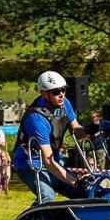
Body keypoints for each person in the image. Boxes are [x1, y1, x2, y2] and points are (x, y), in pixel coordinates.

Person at [12, 70, 88, 204]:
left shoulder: (64, 104)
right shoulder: (36, 118)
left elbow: (76, 131)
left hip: (54, 161)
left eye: (63, 90)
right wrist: (75, 181)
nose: (61, 94)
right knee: (47, 197)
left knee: (85, 193)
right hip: (30, 163)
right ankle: (35, 218)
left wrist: (90, 130)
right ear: (44, 94)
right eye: (56, 92)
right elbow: (47, 161)